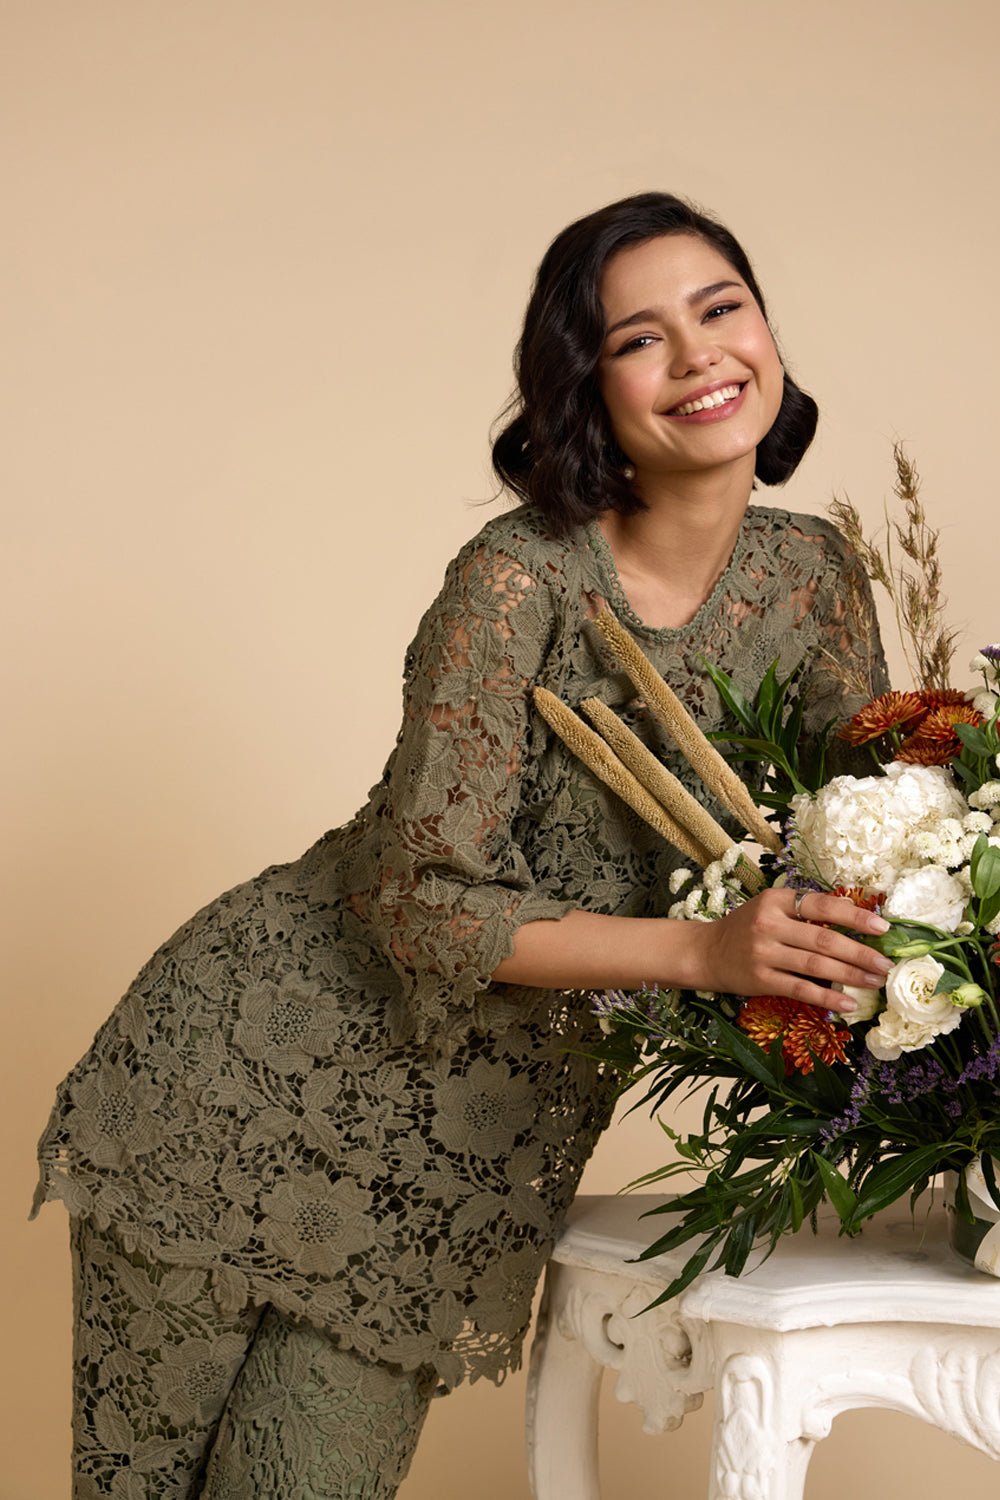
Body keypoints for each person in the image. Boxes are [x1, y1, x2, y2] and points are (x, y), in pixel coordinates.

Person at [35, 192, 893, 1499]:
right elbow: (424, 902)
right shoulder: (520, 577)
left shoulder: (815, 577)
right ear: (584, 389)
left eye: (721, 308)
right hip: (240, 1074)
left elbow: (855, 848)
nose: (699, 355)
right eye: (639, 339)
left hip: (460, 1164)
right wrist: (706, 954)